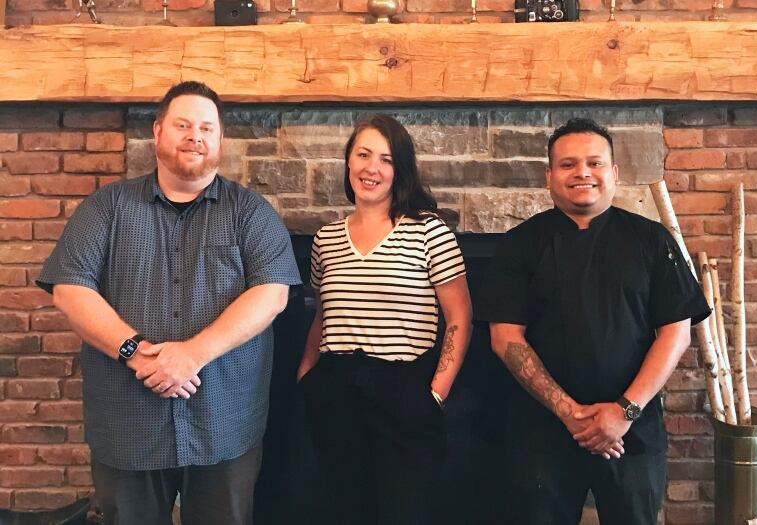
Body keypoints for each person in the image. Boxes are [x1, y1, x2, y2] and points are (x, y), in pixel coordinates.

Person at [36, 81, 301, 525]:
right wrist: (136, 352)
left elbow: (273, 292)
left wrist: (192, 355)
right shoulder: (107, 207)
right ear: (158, 132)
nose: (194, 136)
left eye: (206, 127)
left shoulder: (251, 212)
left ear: (219, 140)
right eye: (183, 124)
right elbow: (69, 288)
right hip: (128, 422)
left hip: (224, 421)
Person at [475, 118, 710, 525]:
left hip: (632, 430)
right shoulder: (519, 245)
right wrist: (570, 414)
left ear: (614, 173)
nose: (582, 172)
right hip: (541, 431)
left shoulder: (651, 240)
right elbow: (504, 338)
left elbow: (676, 334)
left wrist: (622, 412)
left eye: (594, 163)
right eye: (567, 165)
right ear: (549, 176)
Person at [296, 114, 472, 525]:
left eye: (386, 159)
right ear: (348, 162)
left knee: (405, 512)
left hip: (405, 389)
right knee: (344, 510)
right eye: (363, 155)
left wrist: (436, 393)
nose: (371, 168)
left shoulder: (429, 232)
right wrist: (307, 373)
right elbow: (324, 311)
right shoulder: (327, 239)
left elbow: (460, 317)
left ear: (401, 170)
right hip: (336, 389)